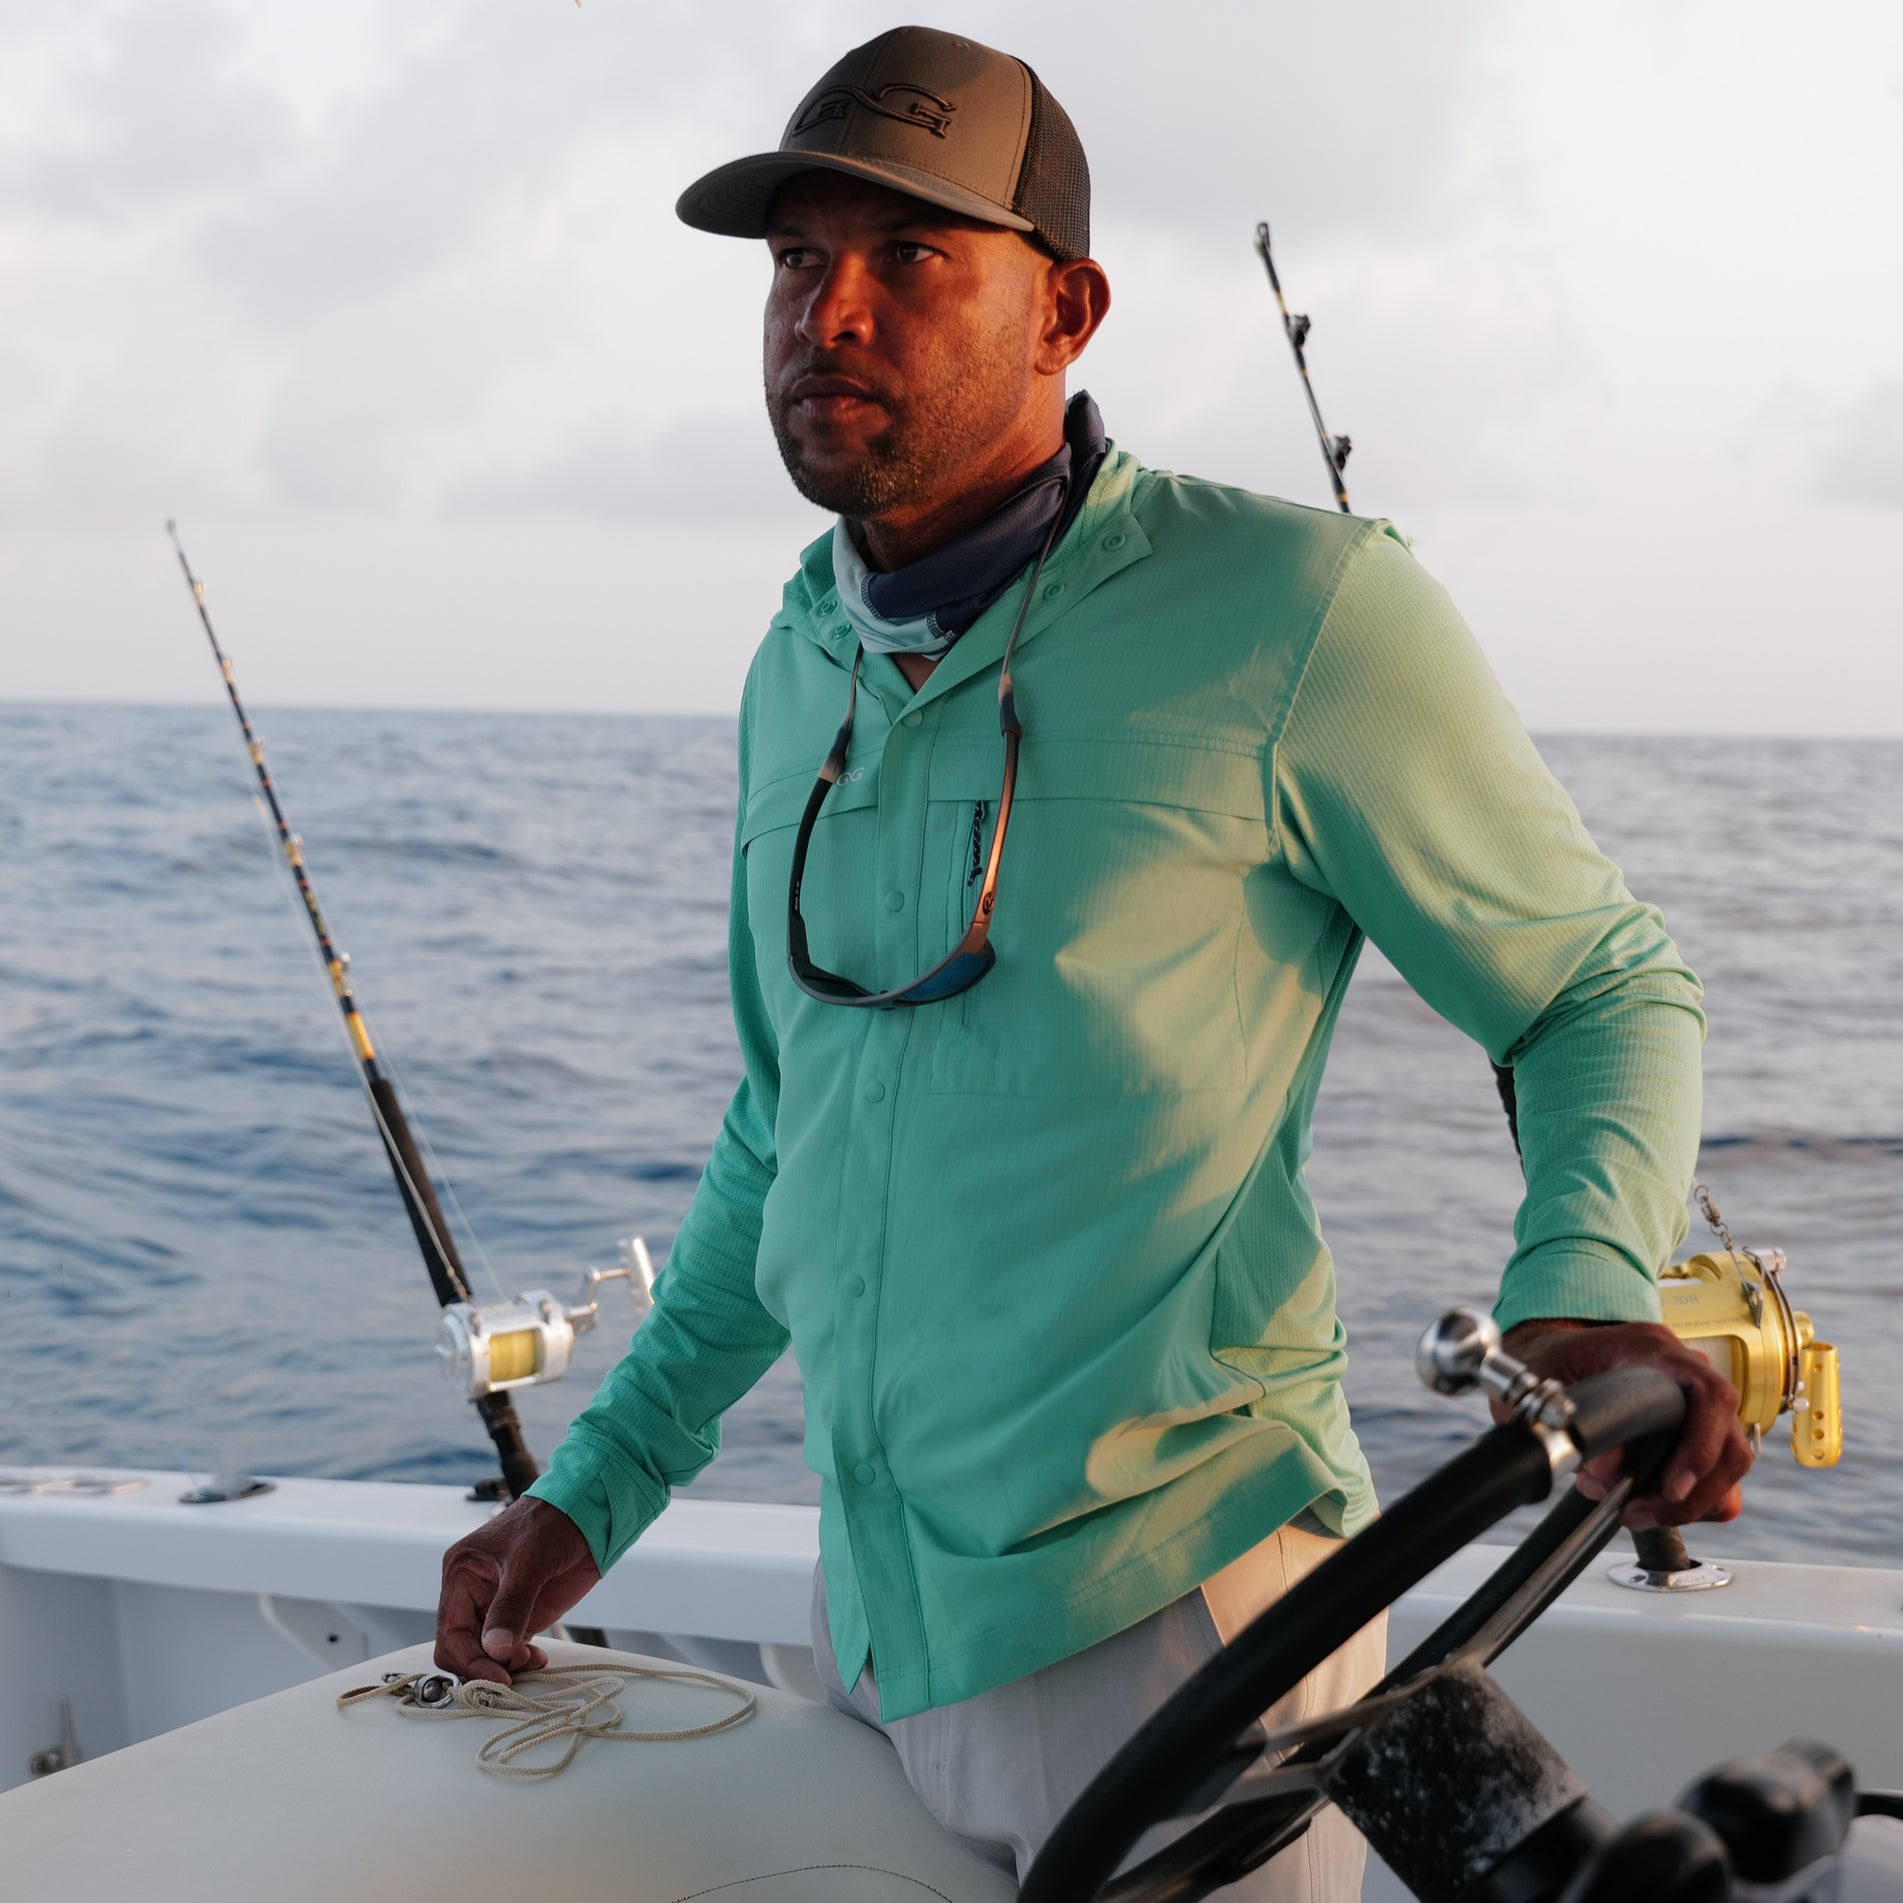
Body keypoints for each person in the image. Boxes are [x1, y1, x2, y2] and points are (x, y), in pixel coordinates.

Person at [436, 25, 1751, 1896]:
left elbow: (1598, 985)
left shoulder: (1303, 612)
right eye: (802, 262)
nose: (835, 314)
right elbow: (780, 1129)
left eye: (911, 259)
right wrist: (595, 1488)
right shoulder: (798, 655)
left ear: (1069, 310)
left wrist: (1579, 1283)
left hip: (1182, 1625)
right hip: (874, 1623)